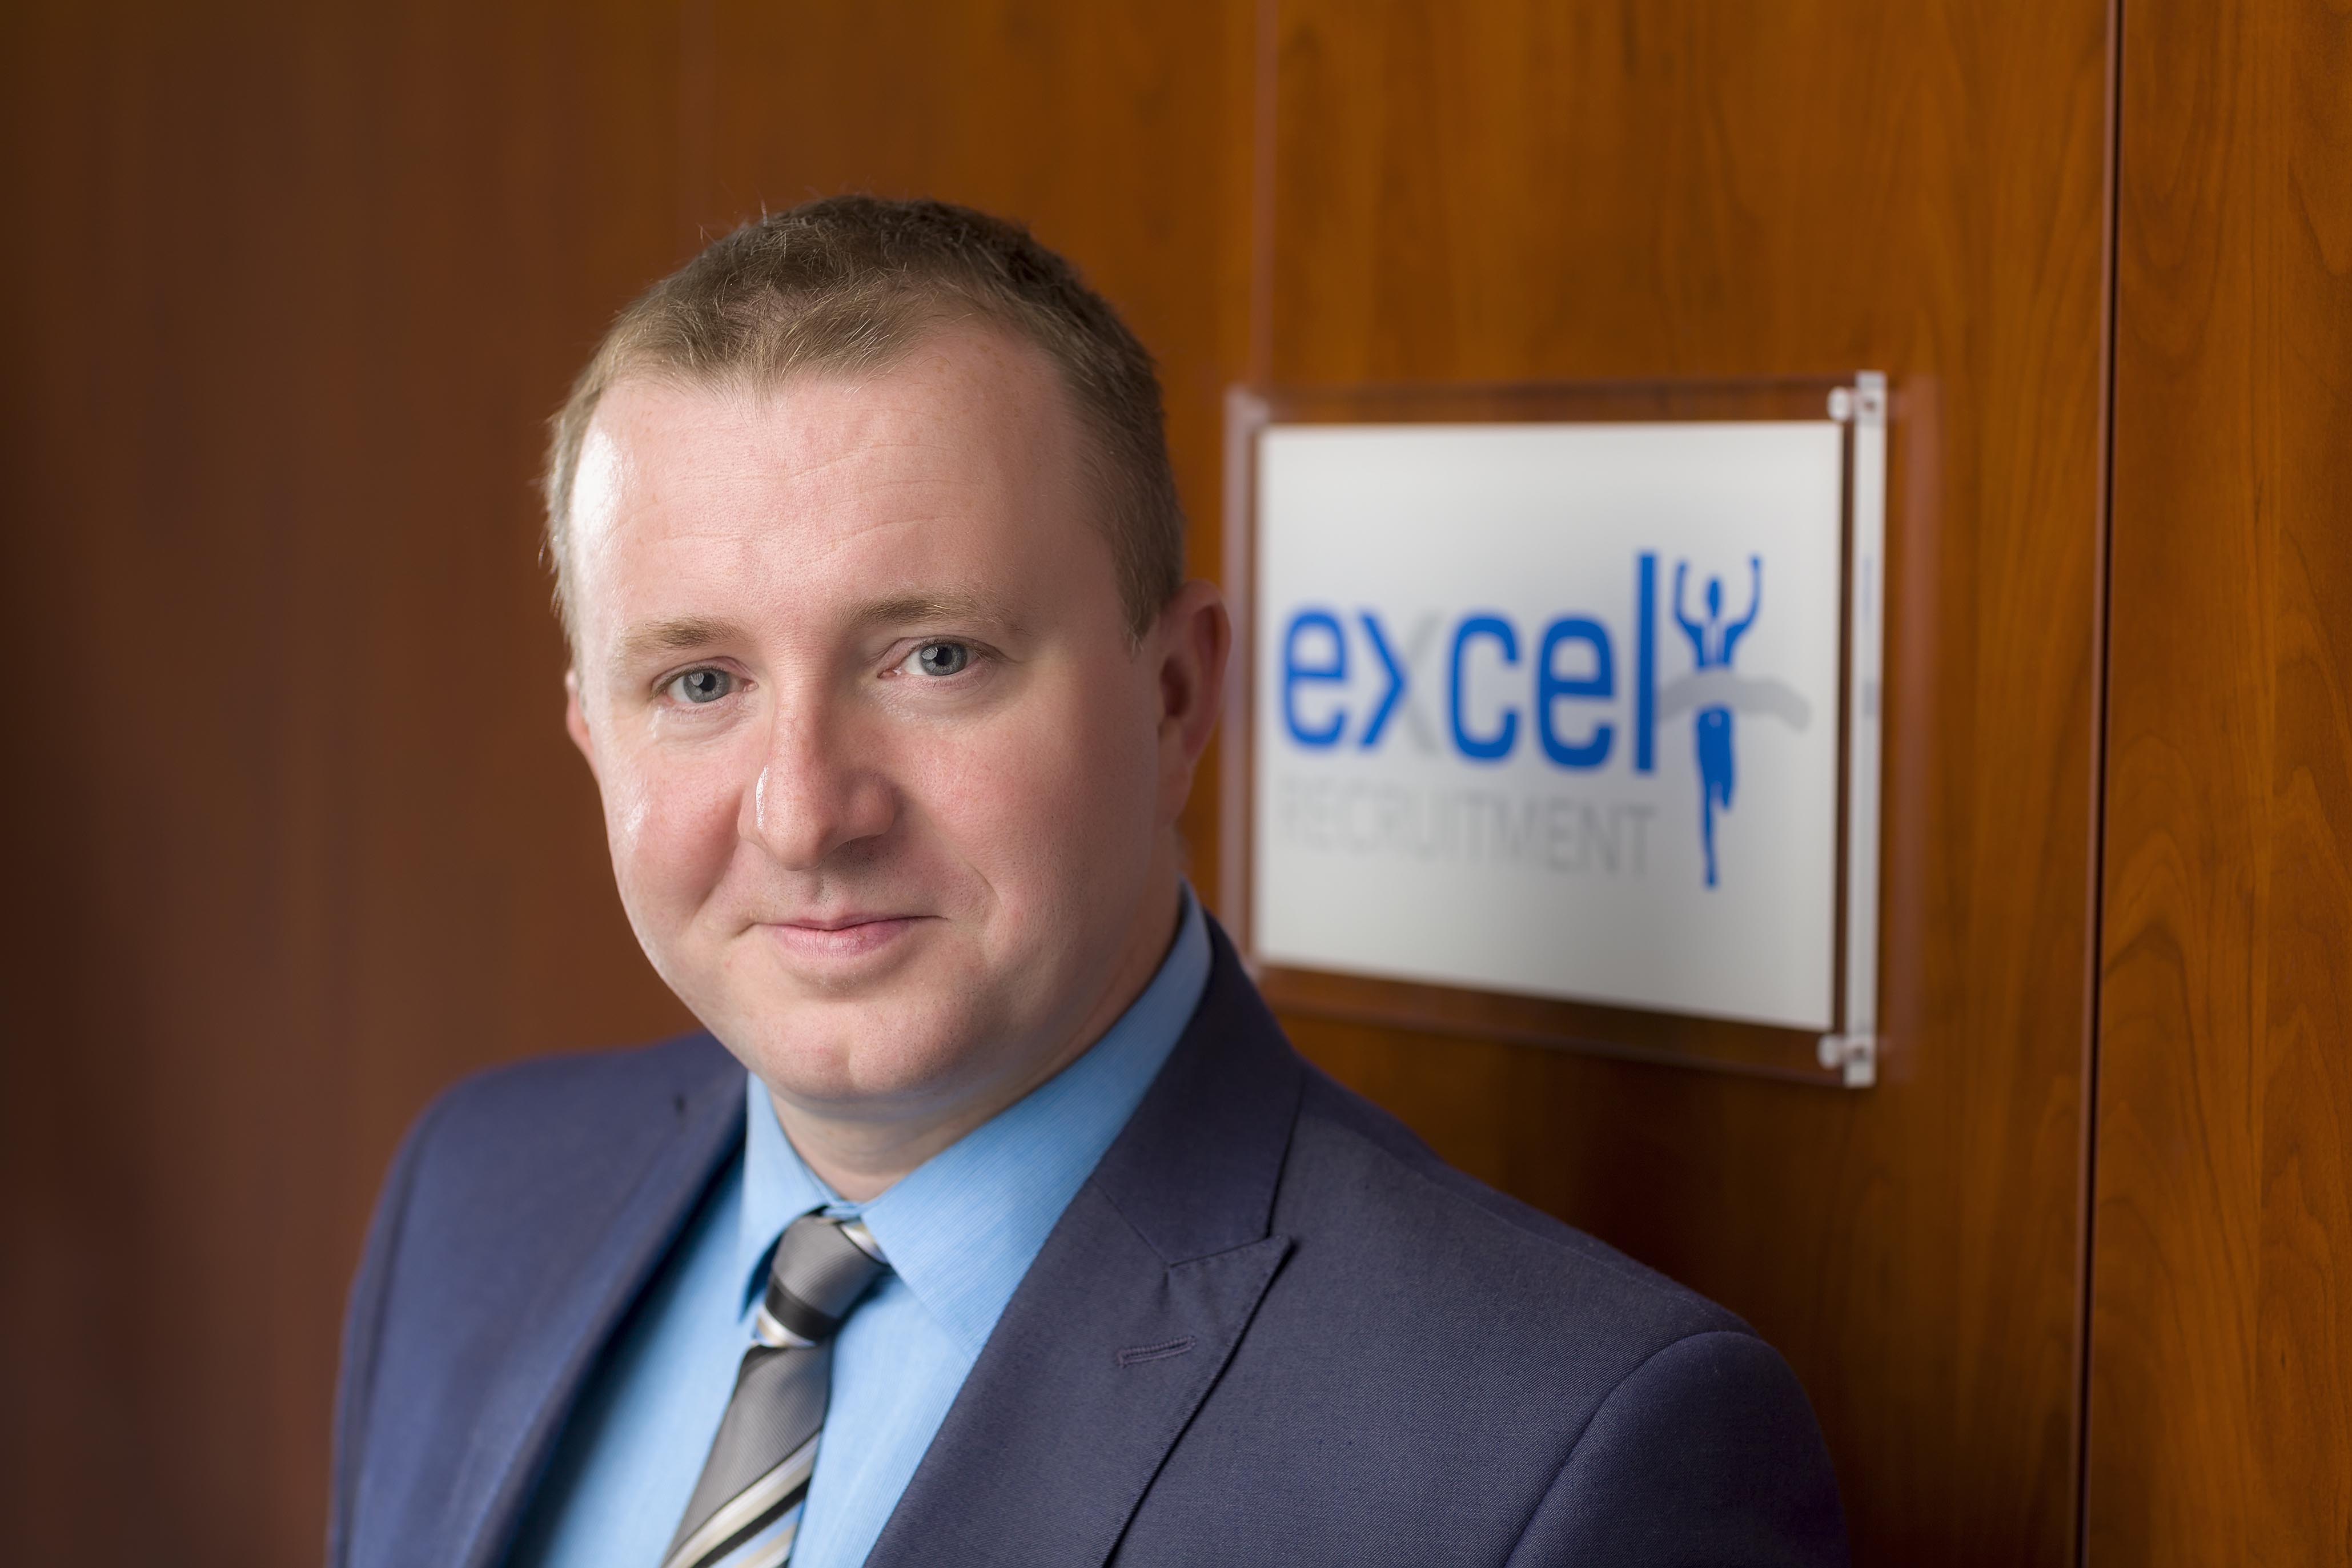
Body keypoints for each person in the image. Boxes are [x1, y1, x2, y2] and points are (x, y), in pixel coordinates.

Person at [329, 196, 1847, 1568]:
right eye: (700, 681)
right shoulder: (474, 1200)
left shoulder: (1557, 1453)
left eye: (935, 657)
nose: (805, 813)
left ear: (1176, 695)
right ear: (593, 734)